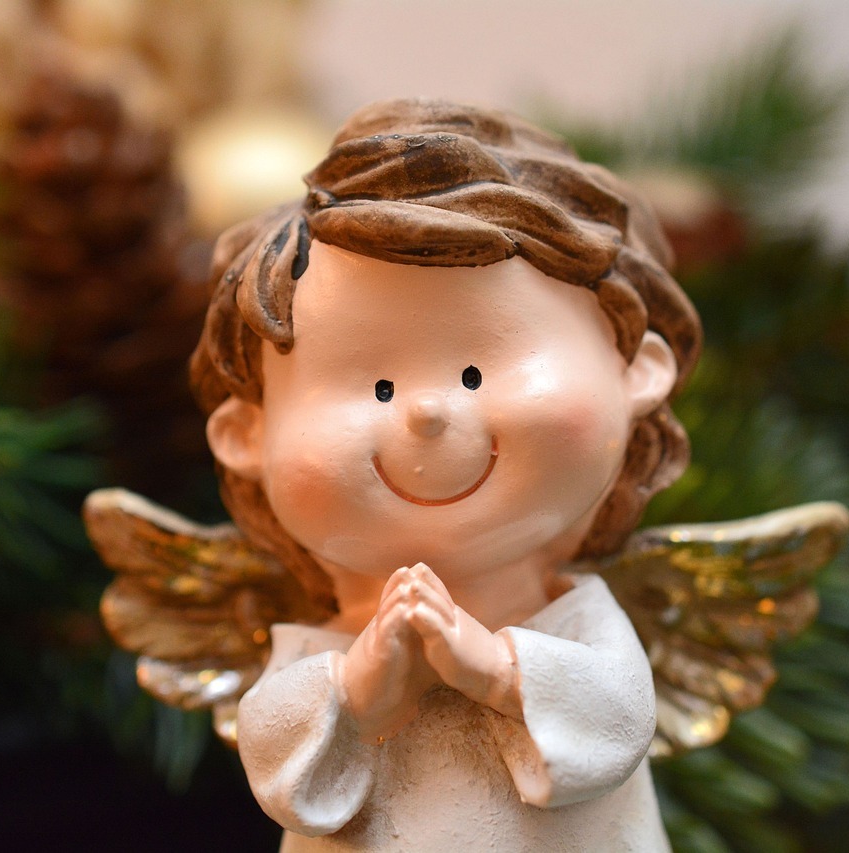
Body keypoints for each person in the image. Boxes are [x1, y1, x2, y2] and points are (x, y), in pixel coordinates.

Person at [190, 98, 701, 851]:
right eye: (378, 386)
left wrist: (492, 668)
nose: (427, 411)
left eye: (473, 371)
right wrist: (362, 686)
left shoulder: (579, 623)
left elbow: (616, 721)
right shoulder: (319, 653)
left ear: (638, 370)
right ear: (246, 435)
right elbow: (278, 762)